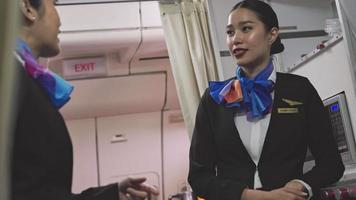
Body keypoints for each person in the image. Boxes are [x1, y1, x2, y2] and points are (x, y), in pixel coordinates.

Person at [188, 0, 345, 200]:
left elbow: (331, 164)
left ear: (271, 34)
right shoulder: (214, 98)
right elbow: (199, 177)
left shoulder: (300, 90)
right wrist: (251, 196)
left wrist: (302, 184)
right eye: (230, 32)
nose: (235, 39)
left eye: (246, 29)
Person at [11, 0, 159, 199]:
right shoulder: (12, 83)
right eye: (54, 4)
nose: (60, 20)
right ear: (28, 7)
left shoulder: (24, 80)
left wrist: (112, 193)